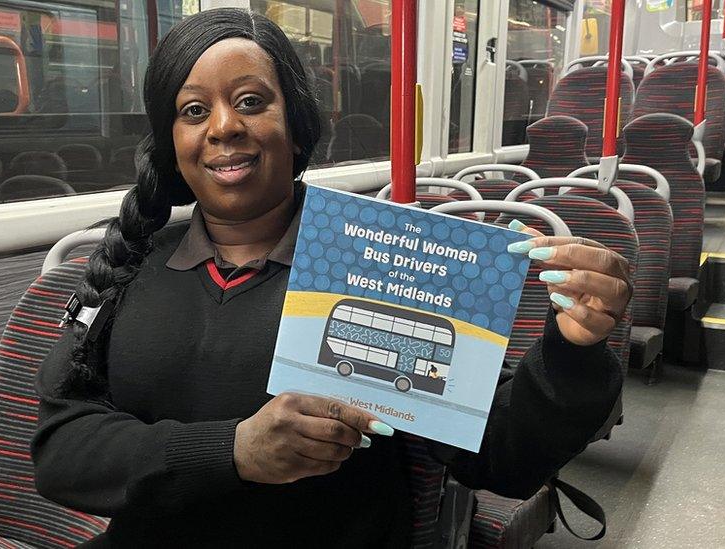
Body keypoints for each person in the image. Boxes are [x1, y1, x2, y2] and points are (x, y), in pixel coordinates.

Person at [31, 8, 631, 548]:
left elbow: (501, 455)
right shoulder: (129, 265)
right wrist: (233, 451)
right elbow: (62, 454)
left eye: (250, 101)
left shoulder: (373, 262)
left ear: (297, 126)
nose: (222, 128)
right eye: (193, 111)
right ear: (172, 141)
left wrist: (572, 352)